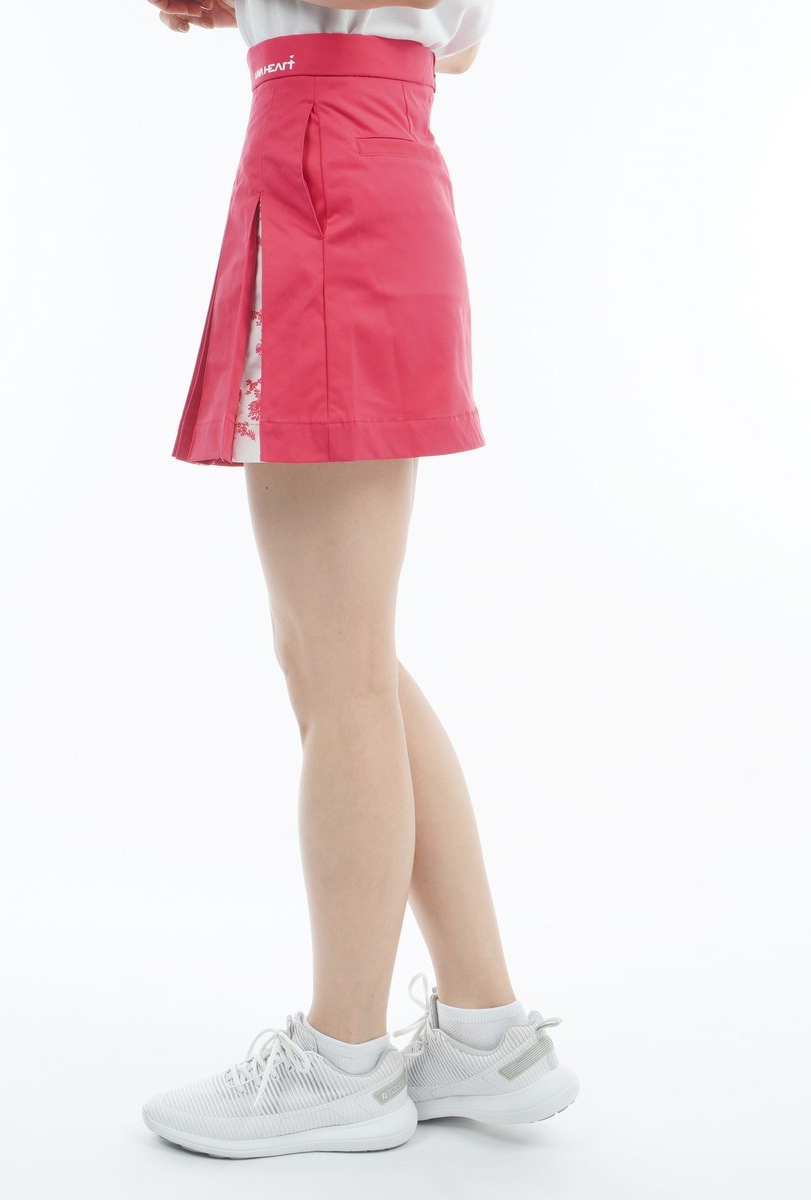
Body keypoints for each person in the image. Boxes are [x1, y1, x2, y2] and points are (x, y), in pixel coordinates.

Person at [141, 0, 579, 1159]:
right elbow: (459, 39)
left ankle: (341, 1060)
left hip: (329, 174)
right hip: (353, 160)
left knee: (336, 665)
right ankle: (485, 1030)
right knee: (345, 654)